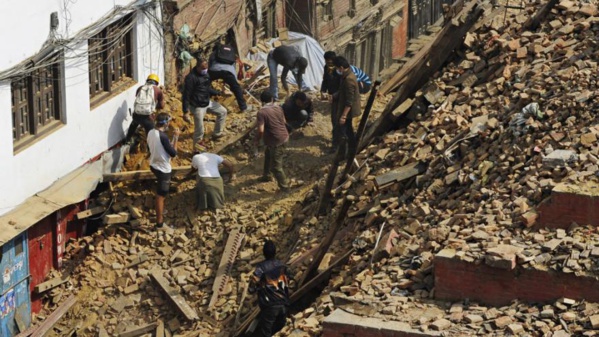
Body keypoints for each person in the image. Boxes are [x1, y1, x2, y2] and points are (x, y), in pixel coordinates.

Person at [182, 58, 228, 150]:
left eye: (206, 68)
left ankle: (217, 133)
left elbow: (207, 88)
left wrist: (219, 93)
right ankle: (197, 152)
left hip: (207, 102)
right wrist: (185, 111)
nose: (205, 70)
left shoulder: (206, 74)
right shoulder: (191, 78)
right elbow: (186, 95)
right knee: (200, 131)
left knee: (223, 112)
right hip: (197, 106)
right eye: (203, 68)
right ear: (197, 67)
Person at [249, 240, 290, 337]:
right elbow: (290, 280)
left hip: (270, 306)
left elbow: (252, 286)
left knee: (266, 333)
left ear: (264, 253)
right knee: (281, 332)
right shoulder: (282, 266)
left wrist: (255, 289)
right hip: (284, 304)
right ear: (275, 252)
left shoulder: (261, 268)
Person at [147, 113, 180, 229]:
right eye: (168, 122)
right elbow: (174, 154)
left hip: (153, 165)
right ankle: (159, 223)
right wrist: (176, 138)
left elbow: (159, 146)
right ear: (165, 123)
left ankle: (160, 210)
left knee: (161, 191)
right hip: (163, 169)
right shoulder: (163, 137)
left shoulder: (151, 132)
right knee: (161, 195)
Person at [255, 90, 289, 191]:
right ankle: (267, 176)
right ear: (272, 99)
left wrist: (257, 140)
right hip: (282, 137)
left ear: (261, 101)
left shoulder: (261, 112)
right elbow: (284, 122)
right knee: (268, 155)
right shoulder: (278, 107)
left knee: (276, 167)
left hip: (277, 141)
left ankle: (285, 188)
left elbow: (261, 130)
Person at [208, 42, 252, 113]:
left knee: (205, 84)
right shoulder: (230, 54)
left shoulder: (213, 54)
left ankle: (206, 104)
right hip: (229, 72)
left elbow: (210, 66)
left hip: (214, 70)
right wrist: (231, 81)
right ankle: (243, 108)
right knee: (236, 89)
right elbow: (233, 67)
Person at [332, 56, 361, 157]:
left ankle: (343, 155)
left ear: (341, 67)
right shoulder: (346, 75)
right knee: (348, 130)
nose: (336, 70)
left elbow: (349, 101)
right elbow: (342, 91)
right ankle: (351, 151)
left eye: (336, 68)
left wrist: (343, 116)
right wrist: (335, 95)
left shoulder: (349, 79)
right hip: (345, 108)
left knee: (343, 133)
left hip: (348, 110)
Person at [125, 74, 165, 144]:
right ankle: (150, 150)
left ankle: (127, 140)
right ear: (156, 83)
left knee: (133, 124)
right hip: (148, 117)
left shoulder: (140, 88)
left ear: (147, 81)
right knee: (150, 134)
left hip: (137, 115)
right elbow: (161, 106)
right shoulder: (158, 90)